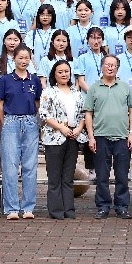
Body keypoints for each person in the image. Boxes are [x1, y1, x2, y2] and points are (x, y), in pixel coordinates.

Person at [84, 55, 132, 219]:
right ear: (102, 66)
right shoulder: (94, 88)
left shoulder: (125, 87)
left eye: (113, 65)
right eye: (107, 64)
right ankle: (103, 206)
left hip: (122, 137)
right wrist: (91, 137)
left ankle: (122, 206)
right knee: (102, 176)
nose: (110, 67)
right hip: (100, 137)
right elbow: (88, 113)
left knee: (122, 175)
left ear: (117, 68)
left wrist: (131, 133)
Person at [0, 46, 43, 220]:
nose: (23, 61)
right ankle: (11, 208)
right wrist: (5, 122)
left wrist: (34, 120)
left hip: (30, 122)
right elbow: (0, 103)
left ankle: (28, 207)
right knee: (10, 167)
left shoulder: (34, 80)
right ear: (13, 58)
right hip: (11, 121)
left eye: (26, 58)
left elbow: (37, 102)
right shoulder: (5, 79)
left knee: (30, 166)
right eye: (20, 58)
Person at [39, 60, 86, 219]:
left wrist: (78, 129)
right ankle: (56, 211)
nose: (64, 74)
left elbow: (83, 114)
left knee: (68, 176)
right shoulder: (48, 92)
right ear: (54, 74)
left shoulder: (77, 93)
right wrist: (61, 128)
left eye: (66, 71)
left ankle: (69, 210)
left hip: (73, 136)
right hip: (54, 137)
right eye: (60, 72)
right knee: (54, 177)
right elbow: (45, 115)